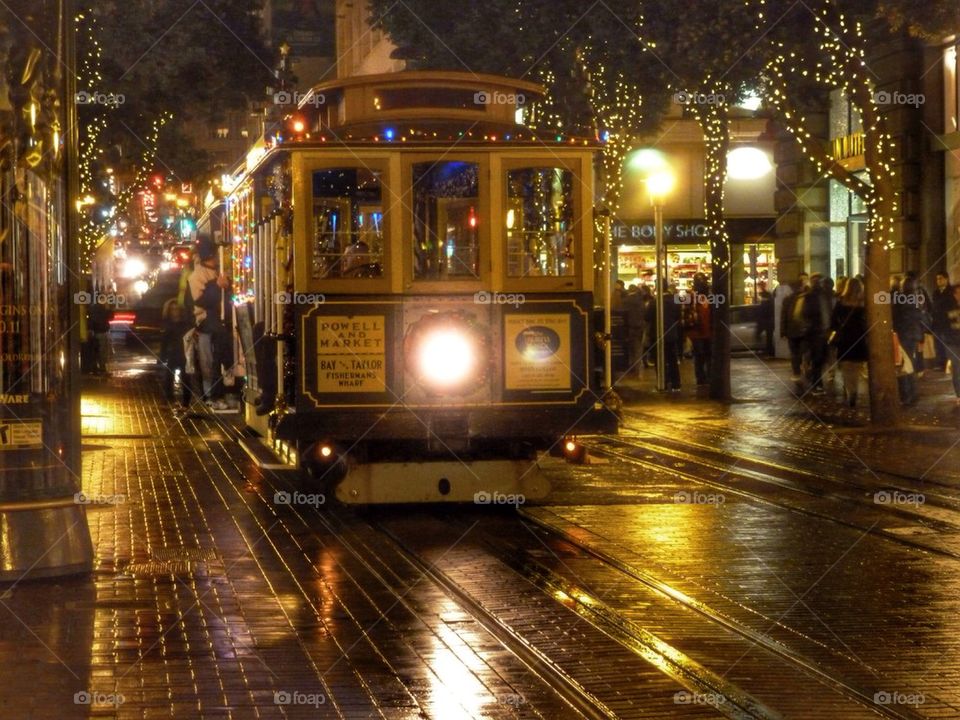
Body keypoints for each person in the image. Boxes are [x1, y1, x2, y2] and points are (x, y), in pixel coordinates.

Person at [189, 239, 236, 411]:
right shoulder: (197, 276)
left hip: (221, 319)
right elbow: (201, 301)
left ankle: (226, 389)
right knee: (213, 358)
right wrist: (217, 287)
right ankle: (214, 393)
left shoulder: (219, 271)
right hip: (208, 320)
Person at [829, 277, 868, 408]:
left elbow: (833, 322)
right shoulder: (864, 303)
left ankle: (849, 390)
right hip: (859, 339)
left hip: (845, 339)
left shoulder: (841, 302)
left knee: (847, 368)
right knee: (856, 369)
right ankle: (854, 391)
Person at [892, 276, 924, 405]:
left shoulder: (901, 300)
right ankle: (912, 393)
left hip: (903, 334)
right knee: (909, 363)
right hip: (913, 334)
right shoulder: (917, 298)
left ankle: (907, 395)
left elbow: (896, 317)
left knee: (904, 365)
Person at [158, 299, 193, 408]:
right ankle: (168, 399)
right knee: (168, 377)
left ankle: (186, 402)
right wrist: (162, 356)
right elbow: (164, 342)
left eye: (177, 309)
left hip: (184, 354)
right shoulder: (168, 324)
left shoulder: (185, 324)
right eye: (172, 309)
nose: (175, 312)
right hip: (173, 354)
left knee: (186, 379)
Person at [781, 276, 811, 391]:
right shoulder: (790, 299)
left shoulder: (805, 297)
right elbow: (784, 316)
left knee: (797, 353)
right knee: (797, 353)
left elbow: (784, 316)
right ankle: (799, 371)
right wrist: (783, 330)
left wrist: (783, 331)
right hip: (797, 331)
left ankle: (799, 371)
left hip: (799, 331)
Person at [684, 272, 712, 385]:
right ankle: (702, 378)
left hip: (703, 331)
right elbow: (686, 316)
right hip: (699, 332)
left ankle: (704, 377)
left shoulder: (709, 297)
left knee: (704, 356)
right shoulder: (692, 297)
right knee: (702, 356)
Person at [943, 283, 960, 407]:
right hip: (952, 342)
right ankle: (959, 394)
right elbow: (942, 324)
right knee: (957, 368)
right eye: (957, 293)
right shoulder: (948, 307)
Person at [931, 271, 951, 371]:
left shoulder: (951, 291)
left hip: (947, 323)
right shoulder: (936, 292)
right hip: (937, 323)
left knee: (946, 344)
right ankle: (940, 364)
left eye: (941, 278)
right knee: (938, 344)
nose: (939, 281)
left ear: (946, 279)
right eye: (937, 279)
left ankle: (948, 365)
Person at [87, 297, 112, 376]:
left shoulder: (93, 308)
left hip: (96, 332)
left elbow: (91, 320)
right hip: (102, 332)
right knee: (103, 351)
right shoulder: (103, 309)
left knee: (97, 351)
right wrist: (108, 309)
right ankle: (102, 368)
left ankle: (97, 367)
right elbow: (110, 317)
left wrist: (91, 329)